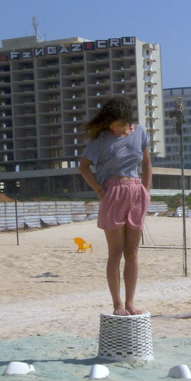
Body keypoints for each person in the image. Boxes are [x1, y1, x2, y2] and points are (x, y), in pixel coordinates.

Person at [78, 97, 152, 316]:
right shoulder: (100, 140)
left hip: (137, 193)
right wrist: (100, 191)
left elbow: (147, 163)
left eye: (117, 123)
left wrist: (146, 191)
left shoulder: (139, 133)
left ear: (126, 120)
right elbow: (83, 167)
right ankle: (117, 304)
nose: (114, 127)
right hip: (113, 193)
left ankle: (130, 303)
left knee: (133, 252)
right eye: (111, 123)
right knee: (115, 253)